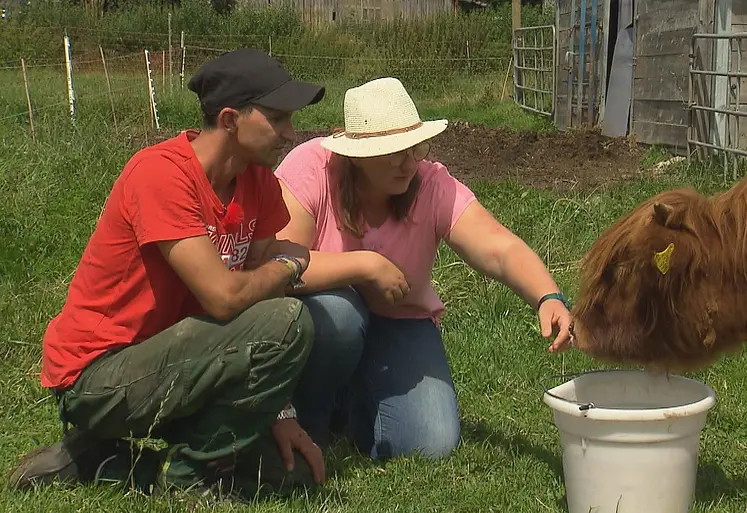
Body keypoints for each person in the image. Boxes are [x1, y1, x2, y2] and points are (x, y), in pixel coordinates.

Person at [7, 48, 328, 502]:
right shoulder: (161, 174)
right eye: (277, 118)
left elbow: (255, 291)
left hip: (181, 361)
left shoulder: (258, 181)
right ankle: (188, 479)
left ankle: (102, 460)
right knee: (289, 319)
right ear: (231, 119)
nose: (290, 133)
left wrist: (281, 412)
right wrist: (290, 264)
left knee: (286, 474)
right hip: (100, 375)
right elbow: (226, 298)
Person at [273, 77, 574, 462]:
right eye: (394, 152)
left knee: (430, 441)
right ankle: (311, 416)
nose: (409, 161)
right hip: (328, 317)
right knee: (341, 314)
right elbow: (280, 265)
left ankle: (352, 404)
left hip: (399, 320)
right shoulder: (312, 168)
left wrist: (547, 296)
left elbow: (498, 247)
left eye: (415, 147)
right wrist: (365, 266)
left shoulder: (430, 183)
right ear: (357, 156)